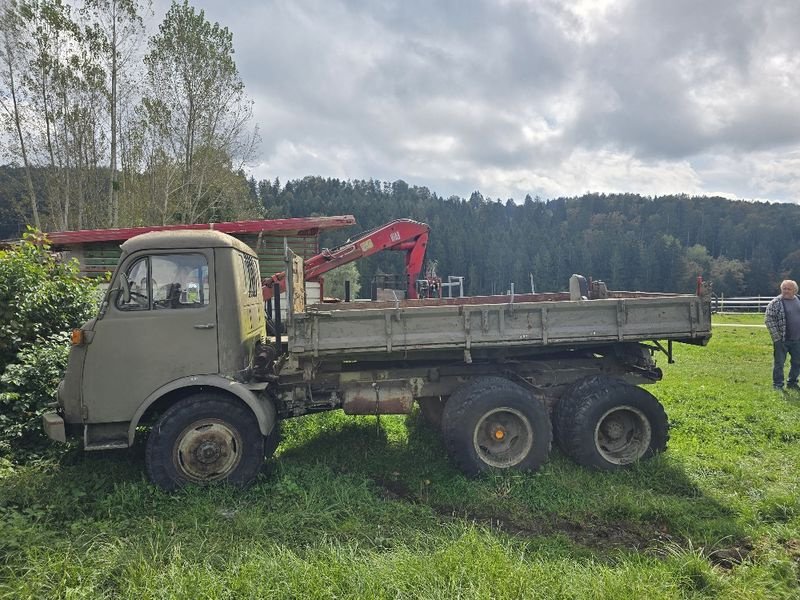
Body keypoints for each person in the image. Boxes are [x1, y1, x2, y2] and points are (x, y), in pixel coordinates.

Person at [765, 279, 800, 390]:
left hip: (797, 339)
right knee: (779, 363)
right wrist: (777, 338)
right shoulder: (775, 303)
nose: (786, 291)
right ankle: (778, 385)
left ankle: (792, 382)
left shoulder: (799, 300)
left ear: (795, 290)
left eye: (789, 289)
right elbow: (768, 319)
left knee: (797, 362)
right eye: (784, 288)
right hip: (782, 340)